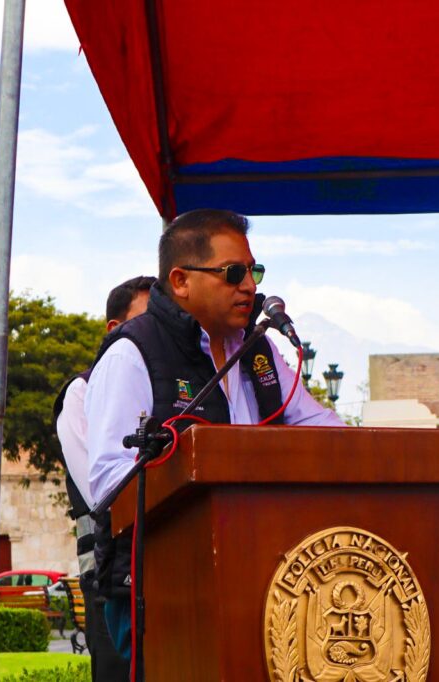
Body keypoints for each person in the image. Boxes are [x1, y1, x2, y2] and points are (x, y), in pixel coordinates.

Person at [85, 208, 344, 660]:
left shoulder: (258, 351)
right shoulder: (133, 353)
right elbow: (109, 482)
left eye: (254, 271)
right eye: (233, 273)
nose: (250, 286)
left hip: (263, 581)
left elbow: (319, 428)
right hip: (163, 592)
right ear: (181, 280)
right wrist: (201, 470)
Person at [54, 275, 154, 681]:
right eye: (148, 320)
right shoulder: (80, 392)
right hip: (110, 571)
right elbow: (105, 491)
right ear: (116, 329)